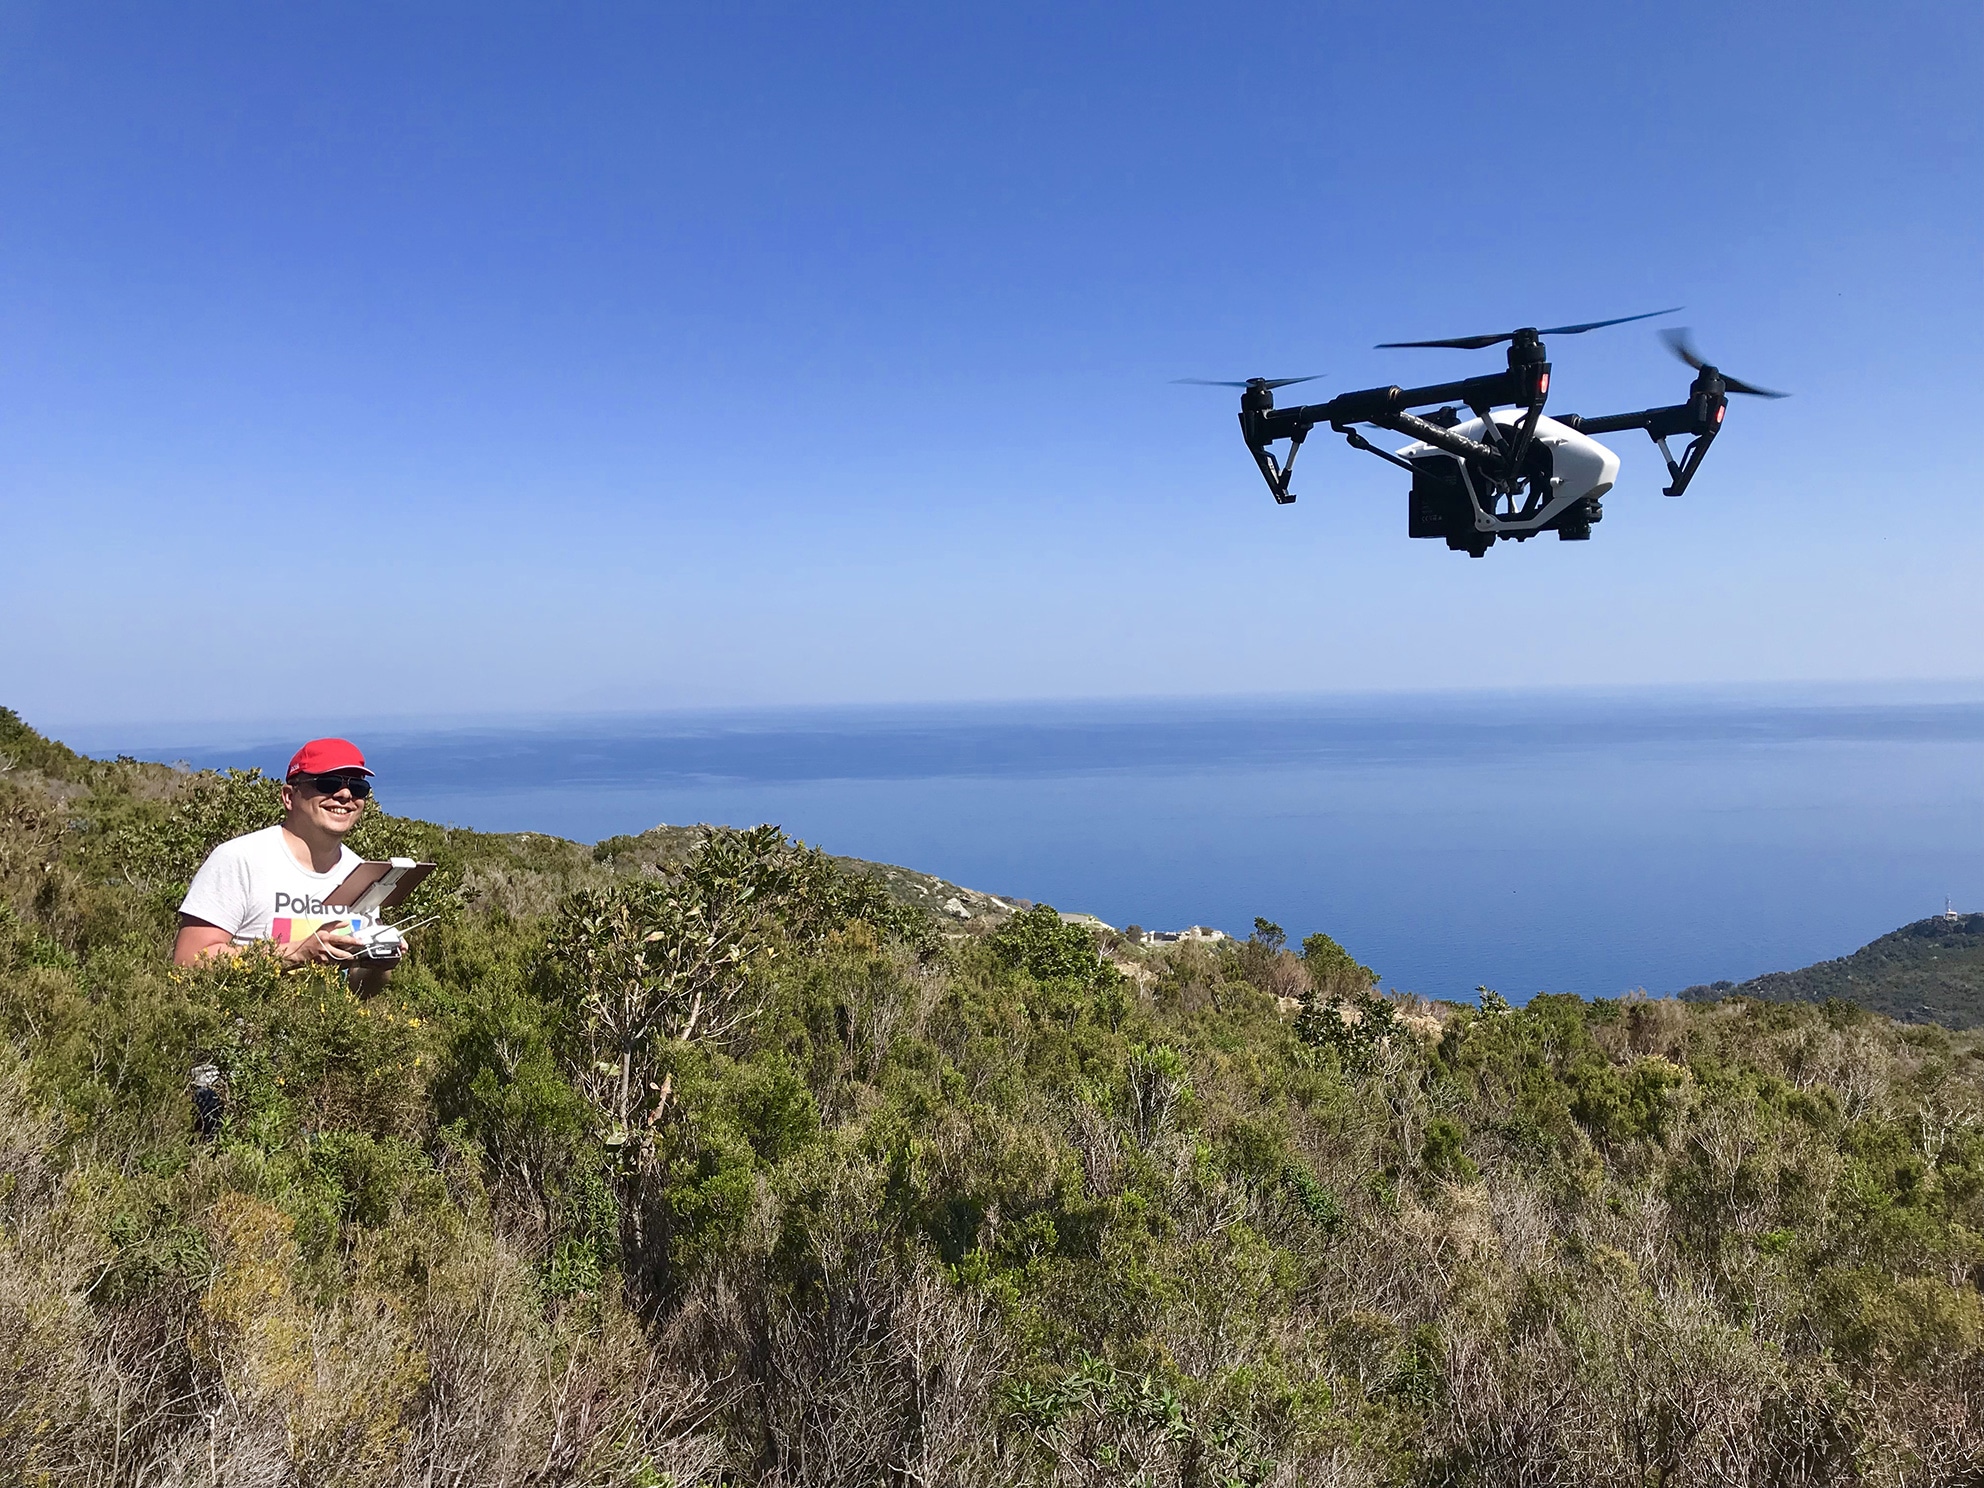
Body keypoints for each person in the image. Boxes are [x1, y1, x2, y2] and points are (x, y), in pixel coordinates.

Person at [174, 737, 399, 993]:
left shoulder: (362, 872)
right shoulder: (240, 859)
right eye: (328, 783)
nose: (345, 795)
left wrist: (379, 966)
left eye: (358, 787)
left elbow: (359, 990)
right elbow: (188, 961)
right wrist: (295, 953)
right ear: (289, 797)